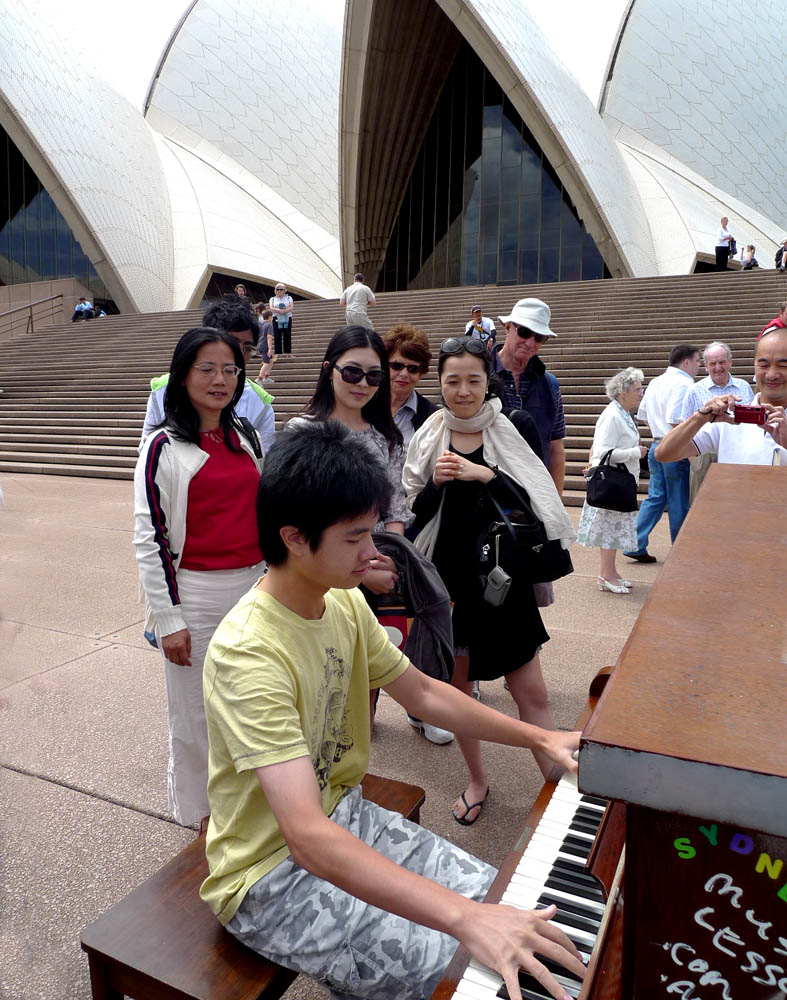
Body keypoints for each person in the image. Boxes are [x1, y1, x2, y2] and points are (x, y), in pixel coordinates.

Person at [200, 420, 584, 1000]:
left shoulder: (341, 605)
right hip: (269, 878)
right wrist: (462, 918)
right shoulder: (248, 653)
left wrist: (538, 738)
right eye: (355, 538)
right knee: (473, 966)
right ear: (295, 538)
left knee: (514, 907)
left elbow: (426, 694)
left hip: (343, 819)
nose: (373, 553)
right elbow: (303, 835)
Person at [404, 337, 576, 823]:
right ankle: (478, 780)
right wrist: (437, 484)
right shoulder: (429, 433)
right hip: (450, 587)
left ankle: (558, 786)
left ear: (488, 382)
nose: (462, 391)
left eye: (473, 380)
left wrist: (486, 476)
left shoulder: (513, 426)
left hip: (504, 583)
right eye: (452, 381)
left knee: (531, 694)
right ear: (439, 382)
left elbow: (533, 509)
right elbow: (415, 514)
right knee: (461, 698)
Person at [133, 328, 265, 830]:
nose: (220, 379)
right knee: (196, 719)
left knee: (251, 705)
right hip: (198, 597)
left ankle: (252, 810)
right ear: (182, 374)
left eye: (230, 369)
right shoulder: (162, 447)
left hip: (256, 588)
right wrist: (169, 620)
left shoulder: (245, 436)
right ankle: (205, 822)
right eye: (206, 368)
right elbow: (151, 539)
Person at [286, 326, 408, 596]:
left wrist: (388, 560)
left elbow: (395, 511)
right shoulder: (302, 431)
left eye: (374, 376)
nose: (362, 384)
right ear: (329, 369)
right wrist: (361, 575)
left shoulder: (386, 437)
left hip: (376, 564)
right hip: (319, 573)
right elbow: (297, 515)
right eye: (352, 372)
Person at [139, 301, 275, 454]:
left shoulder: (259, 402)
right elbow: (148, 451)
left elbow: (264, 462)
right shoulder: (164, 389)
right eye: (232, 343)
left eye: (248, 348)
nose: (239, 354)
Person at [656, 328, 787, 466]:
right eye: (764, 365)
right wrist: (700, 417)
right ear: (755, 366)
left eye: (783, 365)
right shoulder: (730, 420)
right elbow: (664, 453)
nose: (772, 374)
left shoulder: (742, 387)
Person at [622, 344, 700, 563]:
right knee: (679, 499)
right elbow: (675, 418)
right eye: (697, 361)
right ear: (686, 362)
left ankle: (635, 543)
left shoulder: (656, 381)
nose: (699, 366)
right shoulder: (684, 383)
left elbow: (643, 414)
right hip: (675, 446)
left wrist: (659, 434)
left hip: (657, 444)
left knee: (656, 497)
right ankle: (681, 549)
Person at [577, 368, 647, 594]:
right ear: (622, 392)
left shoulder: (623, 413)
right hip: (612, 482)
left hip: (621, 480)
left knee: (615, 528)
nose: (641, 393)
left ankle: (611, 573)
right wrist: (635, 452)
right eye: (637, 389)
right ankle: (606, 575)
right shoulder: (613, 415)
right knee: (609, 528)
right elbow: (604, 451)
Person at [490, 298, 566, 494]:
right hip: (488, 497)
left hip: (535, 497)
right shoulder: (478, 376)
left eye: (540, 337)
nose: (530, 342)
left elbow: (556, 447)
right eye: (524, 332)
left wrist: (555, 502)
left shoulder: (551, 385)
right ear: (508, 328)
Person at [677, 341, 754, 501]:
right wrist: (695, 460)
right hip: (705, 454)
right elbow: (684, 427)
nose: (718, 367)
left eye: (722, 362)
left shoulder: (744, 387)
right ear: (705, 366)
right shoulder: (694, 391)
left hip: (738, 451)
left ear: (730, 362)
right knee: (701, 502)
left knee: (739, 499)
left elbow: (753, 422)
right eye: (713, 363)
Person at [382, 322, 437, 446]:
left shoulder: (432, 417)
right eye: (397, 366)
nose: (404, 374)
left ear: (421, 372)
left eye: (413, 369)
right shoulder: (363, 406)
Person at [269, 282, 294, 355]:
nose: (279, 291)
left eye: (281, 289)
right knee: (277, 335)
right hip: (276, 317)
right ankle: (278, 353)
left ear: (284, 290)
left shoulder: (289, 298)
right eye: (278, 289)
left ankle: (288, 352)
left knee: (287, 334)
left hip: (287, 317)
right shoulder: (273, 299)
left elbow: (291, 307)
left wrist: (284, 311)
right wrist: (279, 311)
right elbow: (271, 307)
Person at [254, 306, 276, 385]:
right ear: (270, 317)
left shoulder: (262, 325)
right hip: (265, 345)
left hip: (260, 344)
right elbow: (269, 337)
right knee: (266, 362)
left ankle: (266, 376)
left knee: (271, 360)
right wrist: (270, 348)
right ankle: (259, 379)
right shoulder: (269, 325)